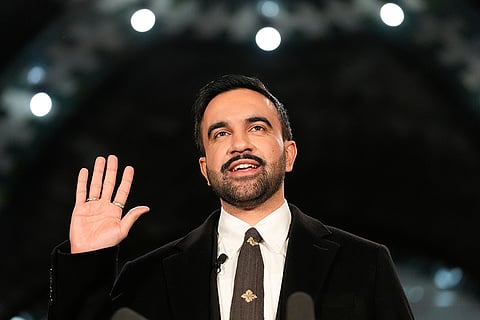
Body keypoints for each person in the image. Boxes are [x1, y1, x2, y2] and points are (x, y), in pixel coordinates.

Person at [47, 74, 415, 320]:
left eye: (256, 127)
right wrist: (86, 261)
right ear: (205, 169)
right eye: (220, 134)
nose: (239, 144)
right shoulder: (147, 276)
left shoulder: (364, 264)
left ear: (288, 154)